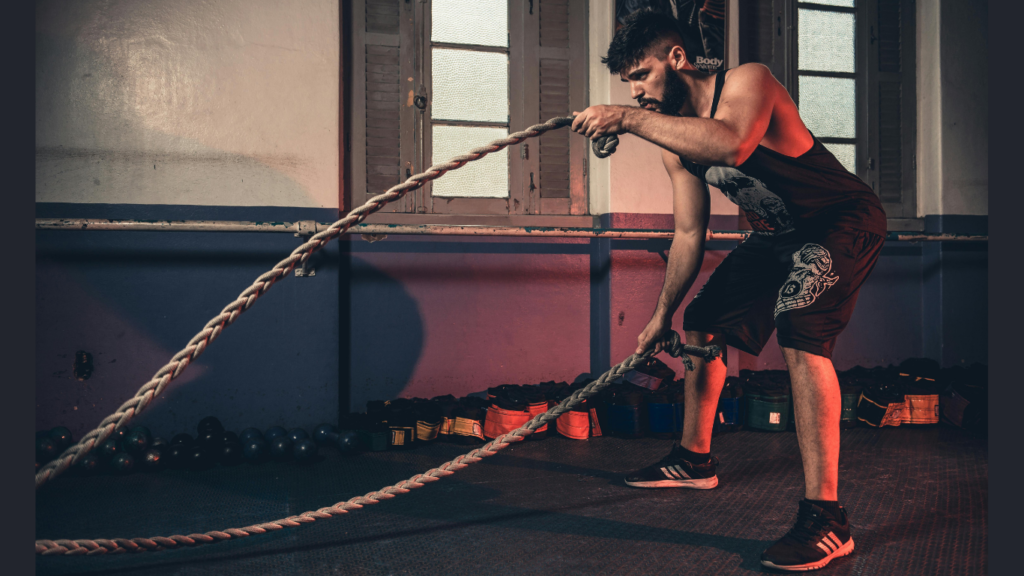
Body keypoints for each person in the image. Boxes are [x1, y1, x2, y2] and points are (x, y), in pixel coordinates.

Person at [570, 10, 886, 572]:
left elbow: (733, 144)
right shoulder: (674, 142)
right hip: (777, 234)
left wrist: (624, 118)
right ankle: (694, 459)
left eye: (641, 75)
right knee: (703, 320)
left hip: (840, 220)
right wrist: (660, 317)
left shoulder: (747, 81)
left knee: (799, 326)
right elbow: (690, 234)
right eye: (628, 84)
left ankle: (827, 518)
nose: (635, 92)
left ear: (676, 58)